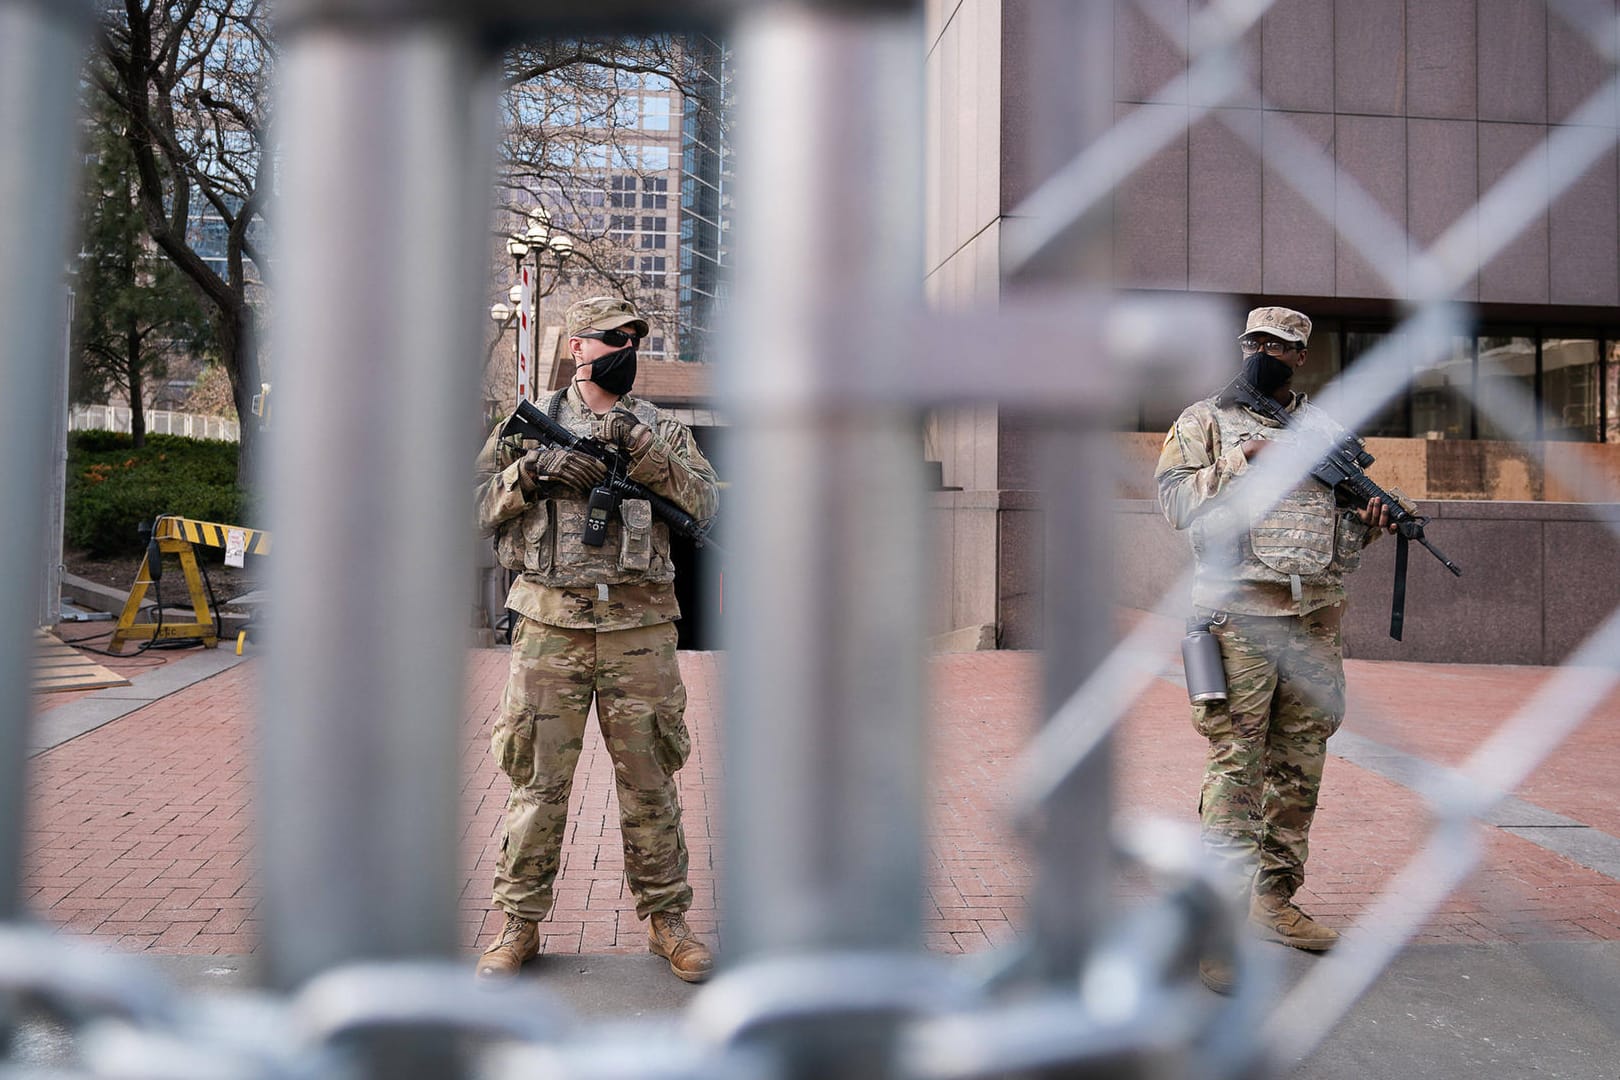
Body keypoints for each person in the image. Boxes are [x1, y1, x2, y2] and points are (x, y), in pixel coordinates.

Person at [472, 295, 719, 983]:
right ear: (578, 347)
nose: (626, 349)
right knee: (537, 784)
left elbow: (705, 503)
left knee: (651, 784)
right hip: (550, 630)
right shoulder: (528, 427)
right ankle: (518, 925)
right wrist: (533, 474)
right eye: (613, 337)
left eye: (635, 338)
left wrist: (642, 456)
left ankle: (666, 921)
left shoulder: (659, 429)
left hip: (640, 632)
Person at [1154, 306, 1396, 994]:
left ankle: (1274, 901)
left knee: (1301, 764)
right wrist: (1243, 457)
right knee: (1237, 766)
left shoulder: (1323, 433)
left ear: (1301, 356)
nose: (1268, 351)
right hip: (1239, 621)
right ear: (1243, 346)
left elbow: (1337, 533)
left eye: (1284, 346)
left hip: (1315, 621)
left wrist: (1371, 523)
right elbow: (1172, 506)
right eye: (1258, 341)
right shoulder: (1204, 420)